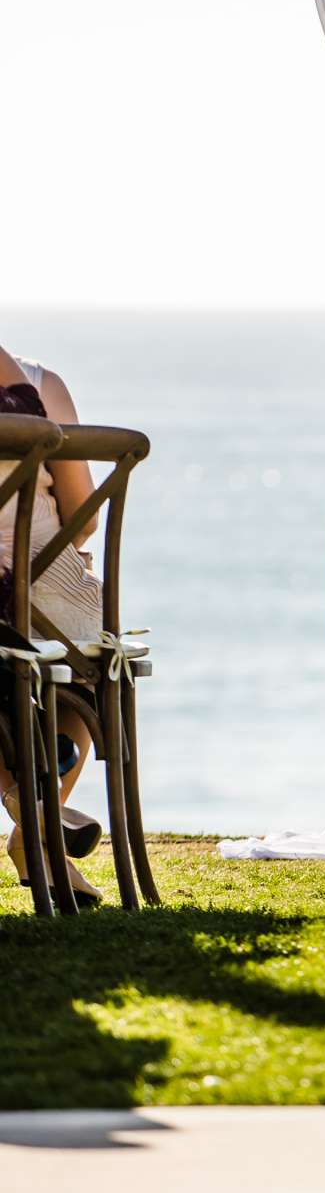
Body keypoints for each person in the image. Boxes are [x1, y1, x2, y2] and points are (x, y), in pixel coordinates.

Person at [0, 341, 103, 903]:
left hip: (15, 608)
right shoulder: (45, 386)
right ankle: (36, 832)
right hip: (51, 600)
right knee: (77, 668)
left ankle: (27, 807)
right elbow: (81, 514)